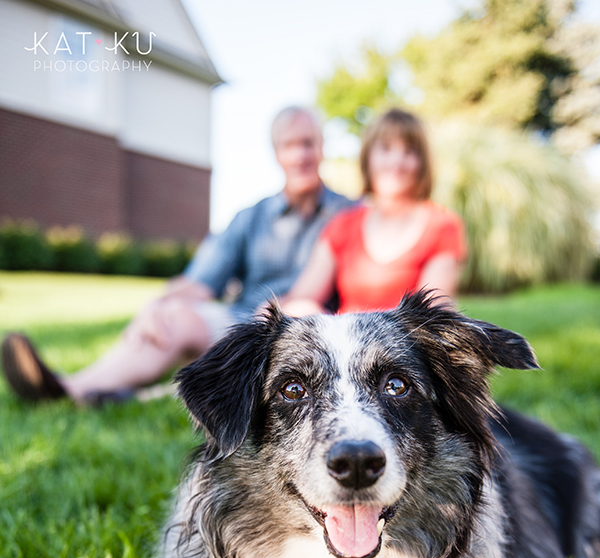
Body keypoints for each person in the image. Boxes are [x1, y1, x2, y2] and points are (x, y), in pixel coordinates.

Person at [1, 106, 352, 404]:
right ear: (277, 154)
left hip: (310, 330)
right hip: (243, 324)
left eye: (308, 143)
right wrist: (158, 305)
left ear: (321, 147)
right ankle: (69, 388)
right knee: (175, 316)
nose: (300, 155)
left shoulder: (350, 216)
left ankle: (121, 392)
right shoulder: (250, 217)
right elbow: (199, 282)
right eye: (289, 145)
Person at [280, 108, 466, 318]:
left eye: (410, 151)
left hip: (405, 348)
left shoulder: (442, 226)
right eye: (385, 148)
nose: (397, 161)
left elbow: (432, 317)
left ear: (422, 163)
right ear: (368, 157)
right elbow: (303, 297)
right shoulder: (342, 225)